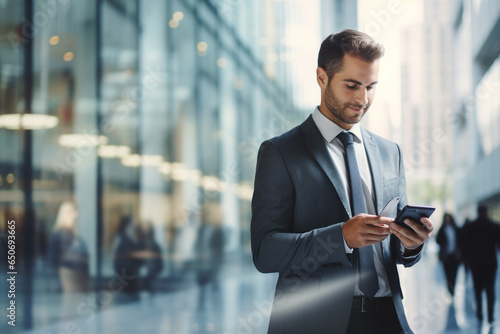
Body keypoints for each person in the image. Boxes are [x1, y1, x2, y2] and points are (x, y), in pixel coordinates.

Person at [251, 29, 434, 334]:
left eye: (370, 86)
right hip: (315, 323)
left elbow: (397, 249)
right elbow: (265, 251)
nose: (363, 99)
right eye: (352, 86)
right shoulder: (281, 152)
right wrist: (341, 238)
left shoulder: (391, 153)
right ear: (322, 77)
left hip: (390, 319)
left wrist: (411, 244)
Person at [462, 205, 500, 324]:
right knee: (490, 289)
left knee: (477, 289)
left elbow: (466, 246)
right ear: (487, 212)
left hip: (476, 263)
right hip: (490, 263)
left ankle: (479, 314)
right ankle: (490, 315)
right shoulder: (494, 225)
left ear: (478, 212)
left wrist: (466, 264)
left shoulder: (471, 227)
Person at [47, 201, 90, 293]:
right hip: (69, 273)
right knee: (73, 301)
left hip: (76, 272)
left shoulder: (71, 233)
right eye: (72, 213)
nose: (75, 216)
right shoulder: (62, 233)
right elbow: (66, 256)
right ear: (64, 215)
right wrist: (83, 257)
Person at [436, 213, 461, 296]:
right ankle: (450, 290)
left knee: (454, 274)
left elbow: (461, 241)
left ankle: (452, 289)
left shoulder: (456, 229)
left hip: (454, 256)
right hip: (446, 256)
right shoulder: (442, 229)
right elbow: (438, 240)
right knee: (447, 274)